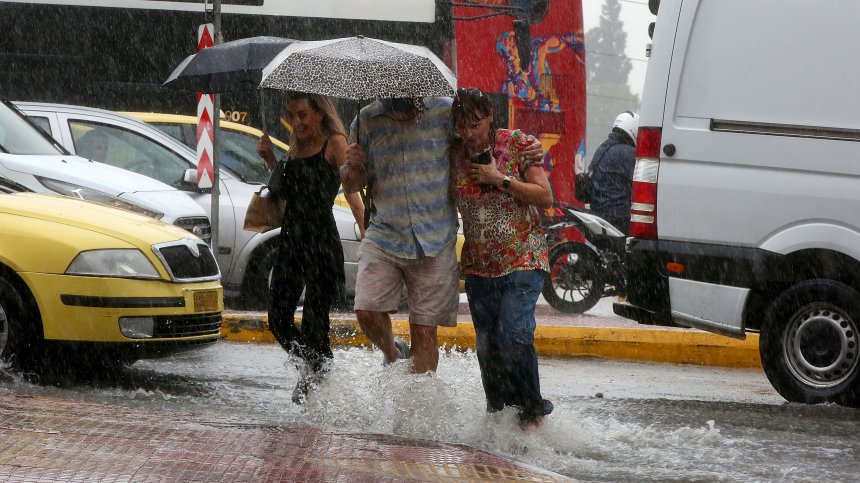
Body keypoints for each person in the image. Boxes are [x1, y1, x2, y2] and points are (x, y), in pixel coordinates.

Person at [341, 96, 544, 374]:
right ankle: (392, 351)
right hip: (384, 234)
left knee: (424, 331)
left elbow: (483, 135)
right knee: (366, 310)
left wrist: (528, 146)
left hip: (434, 237)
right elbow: (352, 183)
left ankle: (419, 407)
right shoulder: (364, 120)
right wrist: (354, 166)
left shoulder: (445, 112)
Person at [450, 87, 555, 426]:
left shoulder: (517, 144)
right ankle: (498, 416)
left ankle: (531, 410)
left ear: (490, 116)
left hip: (523, 259)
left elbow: (544, 196)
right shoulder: (452, 154)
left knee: (513, 333)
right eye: (461, 126)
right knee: (487, 347)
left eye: (475, 125)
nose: (468, 133)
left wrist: (501, 179)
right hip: (480, 268)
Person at [256, 91, 364, 404]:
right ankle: (318, 370)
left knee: (316, 325)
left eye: (302, 114)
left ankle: (318, 386)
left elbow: (353, 191)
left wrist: (366, 232)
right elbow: (287, 192)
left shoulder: (335, 142)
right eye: (292, 115)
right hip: (291, 239)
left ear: (318, 112)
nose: (297, 122)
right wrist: (270, 160)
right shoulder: (294, 145)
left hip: (321, 241)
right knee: (278, 318)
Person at [588, 111, 639, 235]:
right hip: (618, 215)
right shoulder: (630, 154)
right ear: (633, 130)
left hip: (598, 212)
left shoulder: (602, 148)